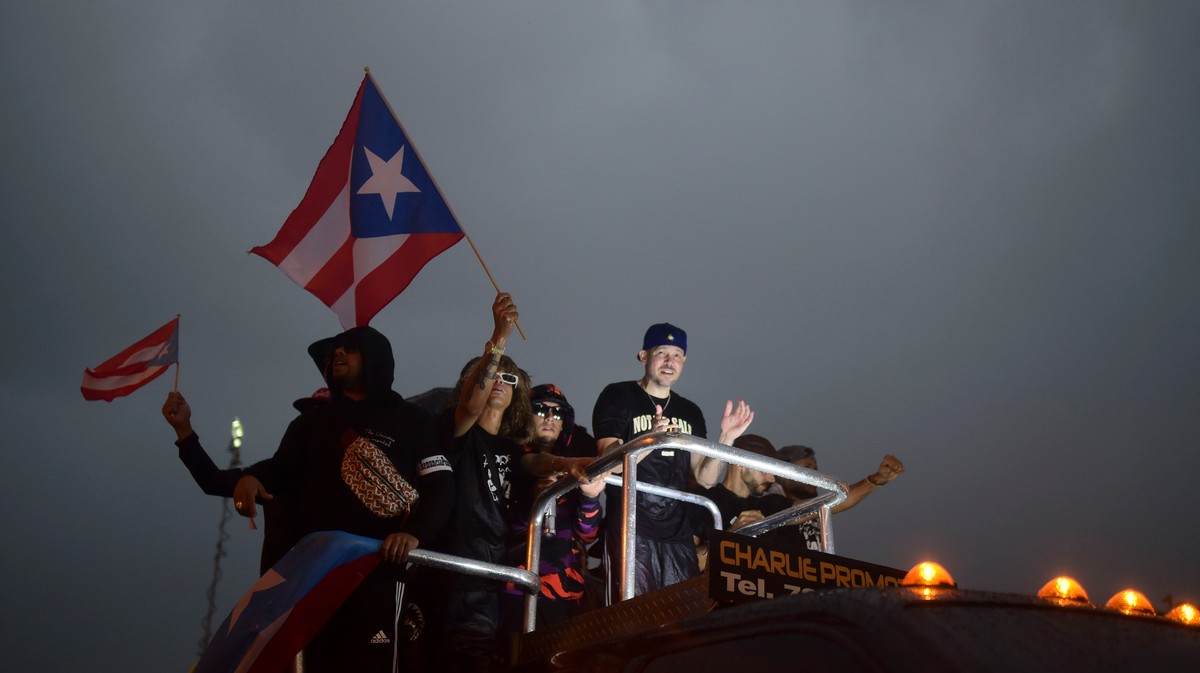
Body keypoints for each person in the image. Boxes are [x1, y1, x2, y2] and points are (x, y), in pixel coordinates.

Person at [231, 326, 453, 672]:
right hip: (313, 574)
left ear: (376, 358)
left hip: (378, 569)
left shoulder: (414, 421)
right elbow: (280, 469)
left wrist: (416, 534)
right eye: (334, 350)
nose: (337, 355)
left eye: (349, 349)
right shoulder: (312, 423)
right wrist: (251, 476)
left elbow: (441, 486)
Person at [592, 322, 754, 598]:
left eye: (677, 355)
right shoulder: (618, 395)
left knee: (682, 615)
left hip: (678, 533)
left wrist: (725, 439)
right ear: (644, 356)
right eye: (662, 353)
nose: (670, 362)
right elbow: (609, 461)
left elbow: (705, 478)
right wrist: (649, 440)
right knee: (631, 618)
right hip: (631, 527)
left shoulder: (690, 411)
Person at [437, 292, 535, 672]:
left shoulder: (516, 452)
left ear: (517, 394)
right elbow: (469, 409)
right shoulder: (458, 432)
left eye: (509, 377)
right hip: (456, 577)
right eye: (493, 374)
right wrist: (500, 336)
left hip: (502, 582)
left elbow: (537, 466)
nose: (500, 381)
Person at [162, 389, 328, 573]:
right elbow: (212, 480)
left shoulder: (359, 479)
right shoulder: (279, 473)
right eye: (306, 416)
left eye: (320, 416)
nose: (308, 423)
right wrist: (183, 428)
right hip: (288, 591)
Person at [502, 384, 604, 630]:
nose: (550, 418)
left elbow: (588, 534)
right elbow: (499, 526)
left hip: (565, 591)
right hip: (514, 586)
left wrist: (590, 498)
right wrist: (534, 499)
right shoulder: (507, 458)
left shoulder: (576, 467)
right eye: (540, 410)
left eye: (558, 413)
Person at [759, 444, 905, 551]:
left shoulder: (812, 507)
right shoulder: (770, 502)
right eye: (807, 468)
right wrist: (877, 479)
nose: (813, 475)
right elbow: (835, 503)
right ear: (783, 472)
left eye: (815, 469)